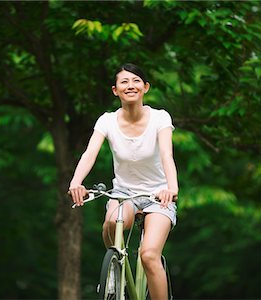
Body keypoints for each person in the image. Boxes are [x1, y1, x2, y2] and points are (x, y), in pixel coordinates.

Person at [68, 63, 178, 300]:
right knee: (111, 224)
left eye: (136, 80)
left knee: (149, 255)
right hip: (124, 194)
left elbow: (167, 155)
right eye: (124, 82)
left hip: (157, 197)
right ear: (115, 90)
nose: (131, 85)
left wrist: (172, 188)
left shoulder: (160, 117)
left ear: (146, 87)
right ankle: (115, 269)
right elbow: (90, 153)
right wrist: (76, 182)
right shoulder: (107, 121)